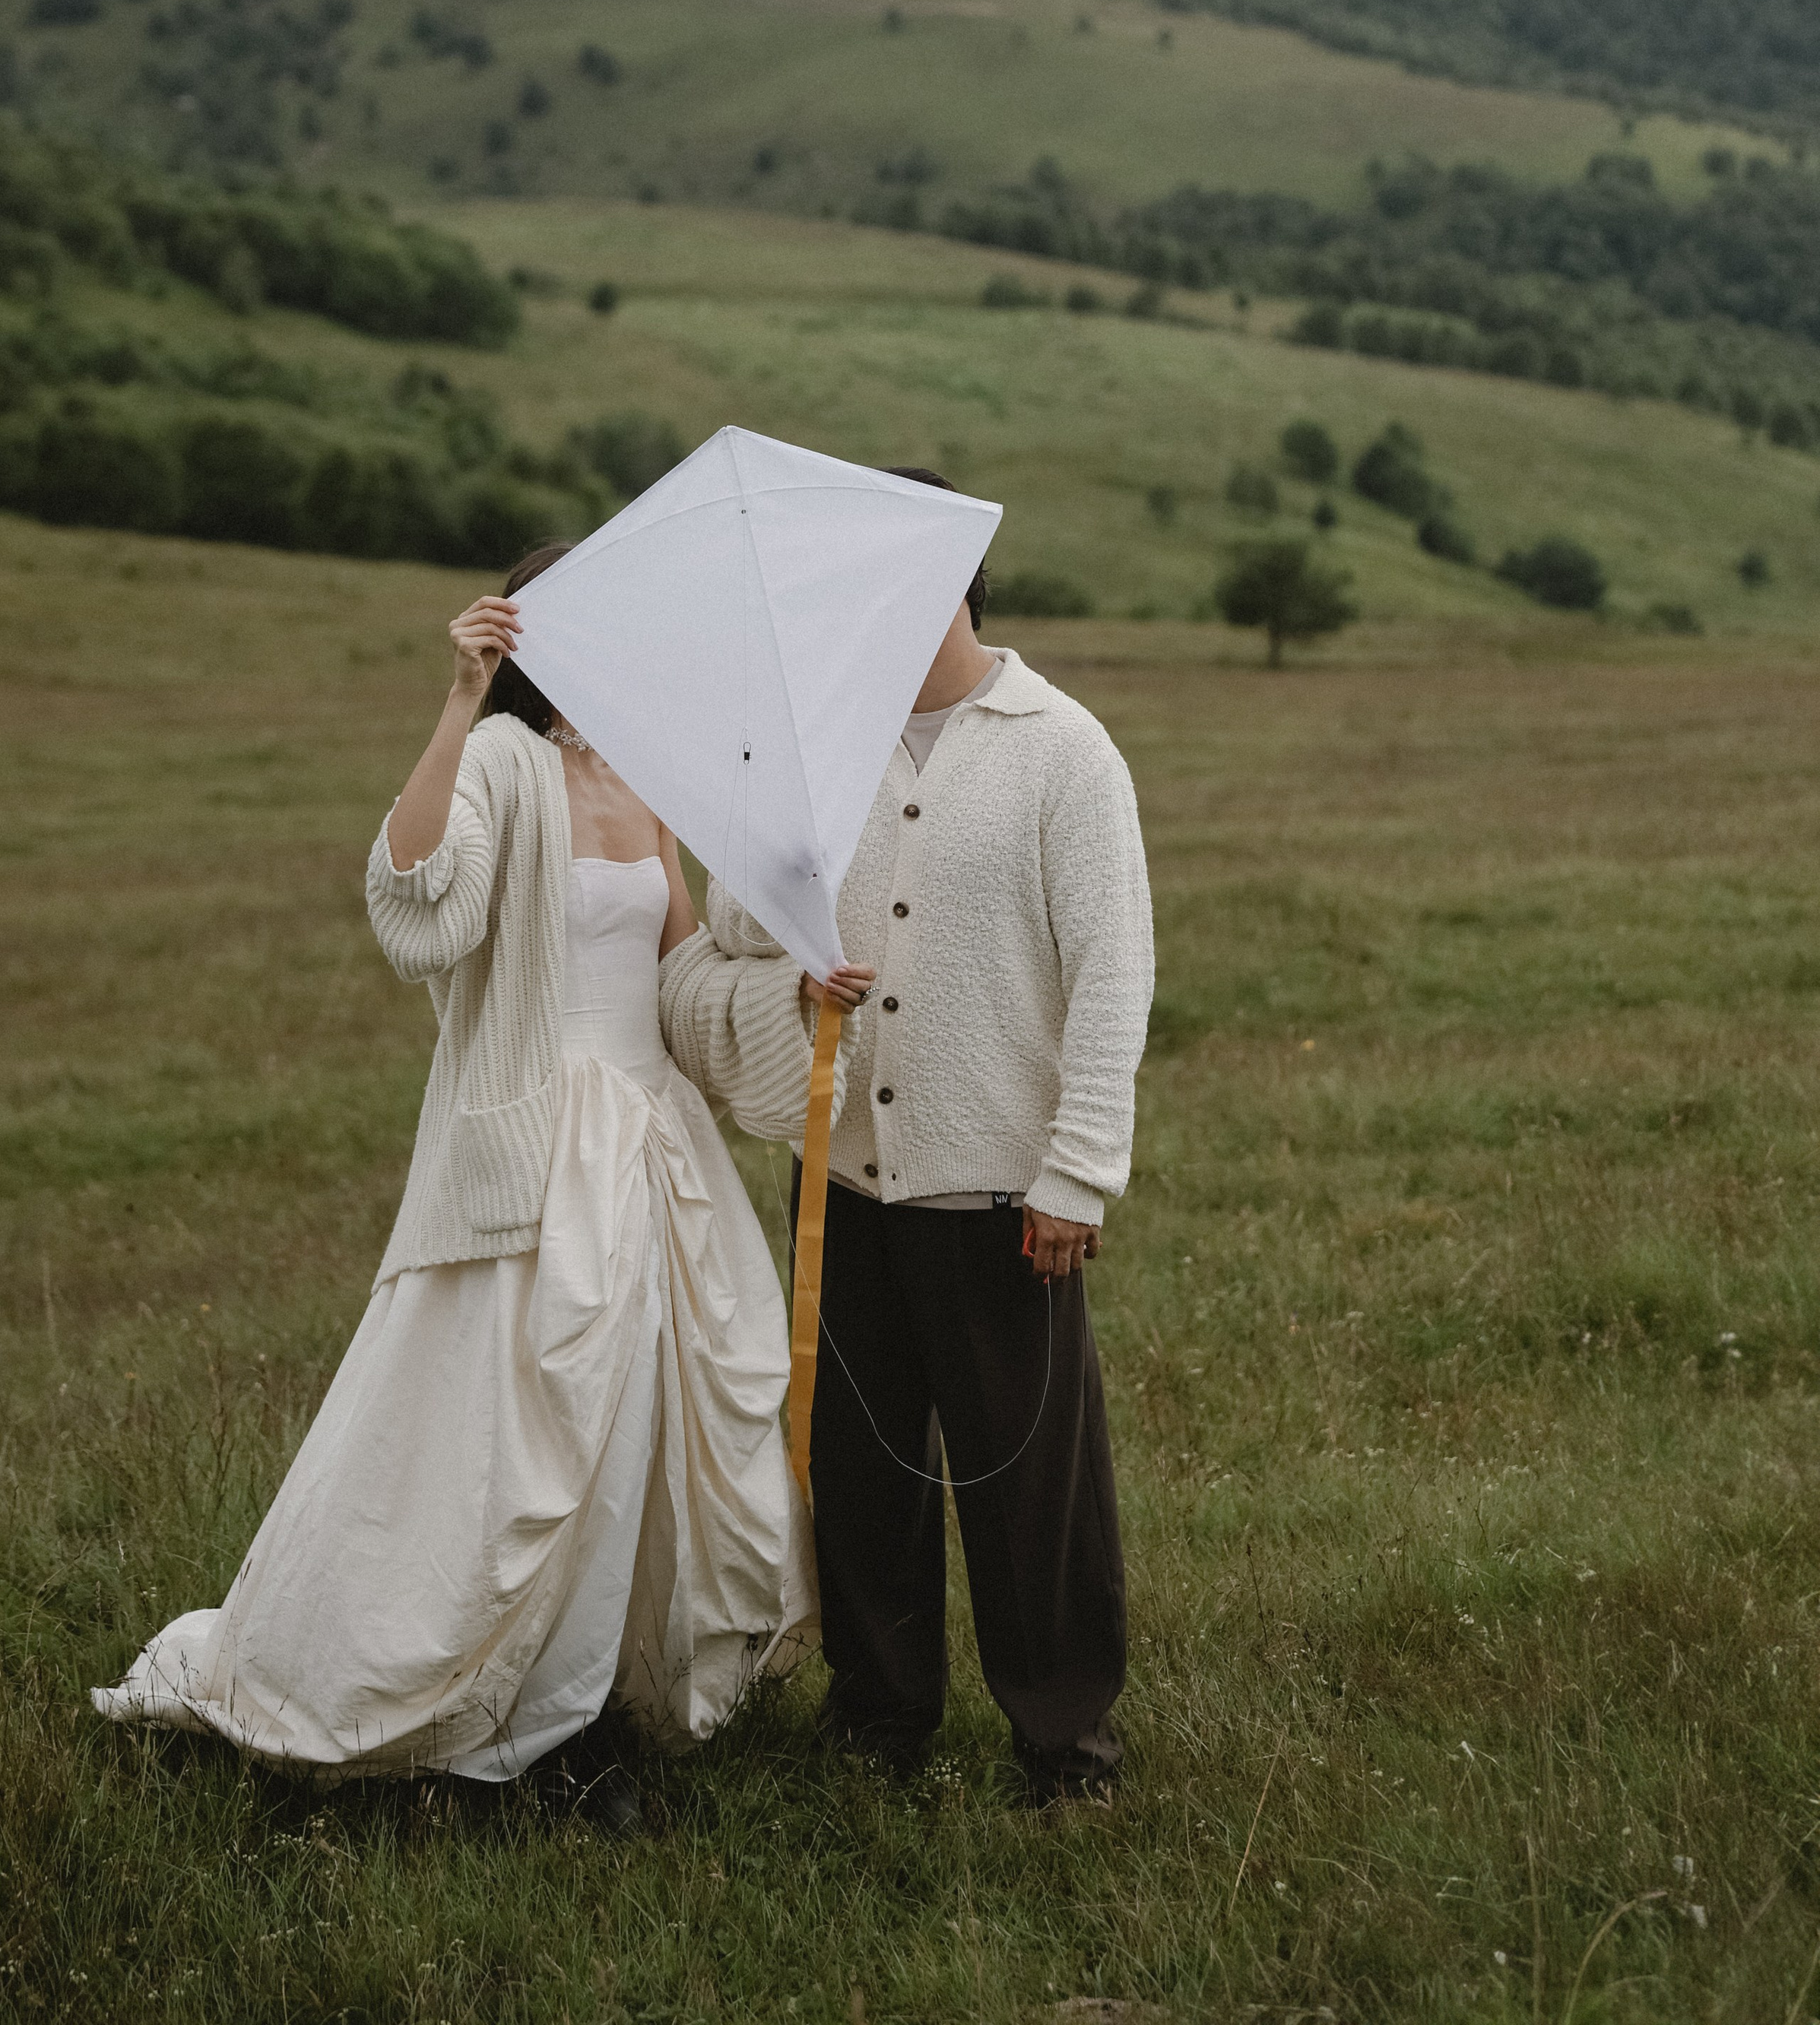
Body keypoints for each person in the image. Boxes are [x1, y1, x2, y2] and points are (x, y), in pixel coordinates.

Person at [94, 545, 823, 1832]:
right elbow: (419, 896)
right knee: (520, 1445)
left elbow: (684, 973)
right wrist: (458, 698)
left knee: (635, 1428)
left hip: (649, 1147)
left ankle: (589, 1710)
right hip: (535, 1155)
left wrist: (795, 994)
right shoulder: (503, 764)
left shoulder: (648, 782)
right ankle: (494, 1715)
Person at [661, 474, 1155, 1805]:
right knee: (866, 1478)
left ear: (944, 578)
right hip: (848, 1186)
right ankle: (880, 1722)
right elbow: (734, 935)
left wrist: (1077, 1174)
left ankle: (1066, 1745)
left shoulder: (1063, 749)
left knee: (1029, 1491)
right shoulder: (818, 753)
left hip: (1003, 1194)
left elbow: (1114, 977)